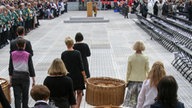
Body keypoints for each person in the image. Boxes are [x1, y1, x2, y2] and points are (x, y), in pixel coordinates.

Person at [9, 38, 35, 108]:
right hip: (25, 77)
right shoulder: (28, 55)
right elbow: (31, 68)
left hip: (15, 76)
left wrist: (10, 80)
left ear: (17, 45)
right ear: (24, 45)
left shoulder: (12, 54)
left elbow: (10, 68)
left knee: (17, 96)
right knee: (25, 95)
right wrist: (33, 80)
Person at [61, 37, 86, 108]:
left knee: (72, 93)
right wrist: (84, 77)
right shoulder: (77, 53)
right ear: (73, 44)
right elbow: (81, 66)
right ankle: (77, 106)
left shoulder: (63, 54)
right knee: (79, 93)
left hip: (68, 76)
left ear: (66, 44)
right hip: (78, 76)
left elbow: (62, 66)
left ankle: (73, 106)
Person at [123, 40, 149, 108]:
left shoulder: (131, 57)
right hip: (142, 82)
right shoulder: (145, 58)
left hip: (132, 82)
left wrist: (126, 81)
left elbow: (128, 71)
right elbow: (148, 70)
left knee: (132, 102)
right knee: (141, 101)